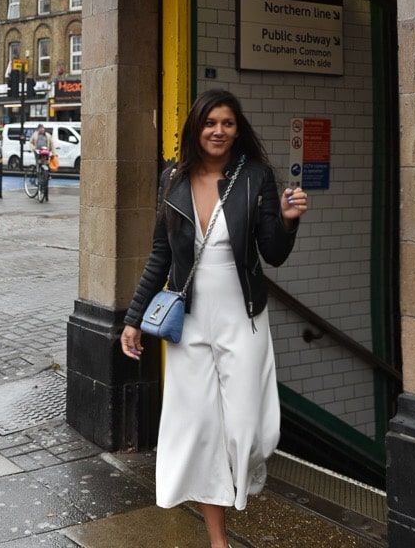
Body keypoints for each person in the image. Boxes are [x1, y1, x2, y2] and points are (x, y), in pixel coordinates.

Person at [121, 89, 307, 548]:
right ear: (196, 129)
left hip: (242, 318)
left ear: (237, 128)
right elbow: (159, 256)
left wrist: (286, 221)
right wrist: (133, 317)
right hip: (190, 323)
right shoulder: (173, 180)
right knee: (201, 430)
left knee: (252, 431)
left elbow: (274, 255)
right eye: (209, 123)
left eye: (226, 123)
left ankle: (247, 474)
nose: (218, 131)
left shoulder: (255, 177)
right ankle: (217, 539)